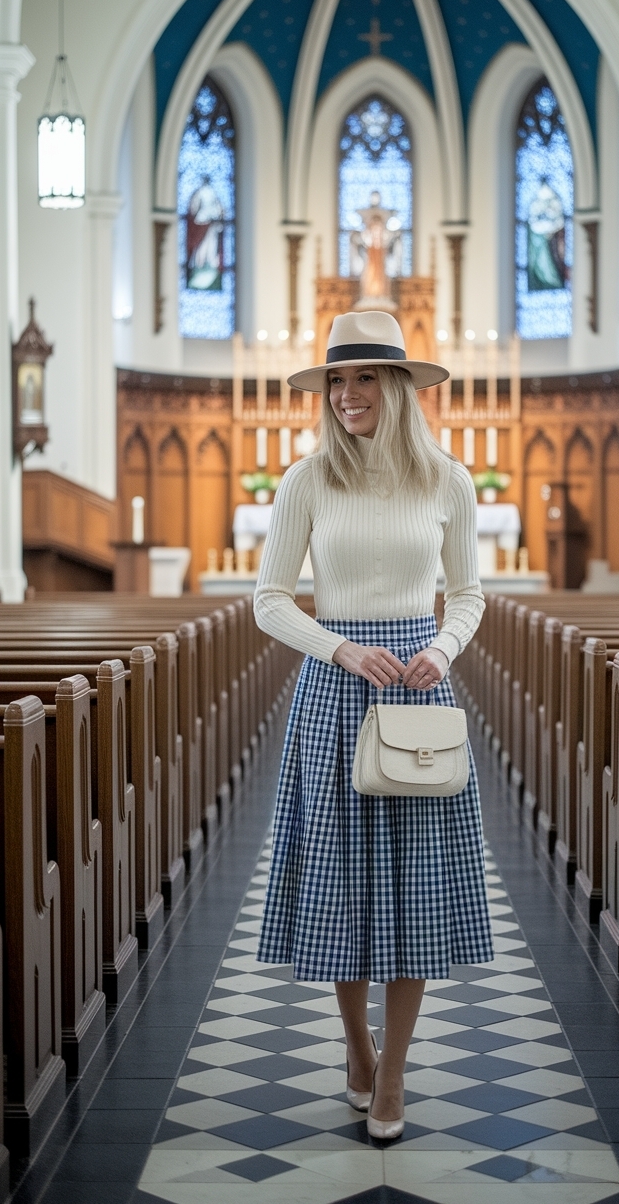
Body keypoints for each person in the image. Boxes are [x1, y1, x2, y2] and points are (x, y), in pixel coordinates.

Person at [253, 310, 493, 1141]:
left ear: (397, 385)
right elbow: (269, 601)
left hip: (419, 693)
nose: (347, 394)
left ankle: (393, 1074)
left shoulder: (449, 481)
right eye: (336, 380)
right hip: (335, 690)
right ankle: (356, 1046)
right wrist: (341, 648)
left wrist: (443, 649)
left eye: (364, 378)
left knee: (415, 886)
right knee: (341, 885)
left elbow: (468, 595)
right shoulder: (306, 481)